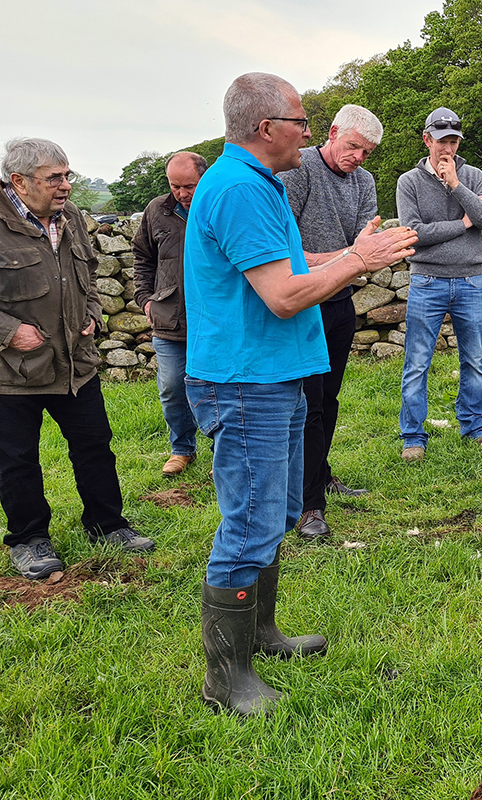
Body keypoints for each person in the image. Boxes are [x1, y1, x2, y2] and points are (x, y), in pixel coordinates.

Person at [185, 73, 416, 716]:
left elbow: (292, 266)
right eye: (302, 121)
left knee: (275, 514)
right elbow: (283, 296)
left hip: (273, 375)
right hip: (245, 381)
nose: (308, 132)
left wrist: (350, 250)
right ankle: (225, 678)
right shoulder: (238, 190)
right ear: (267, 129)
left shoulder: (256, 185)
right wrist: (358, 264)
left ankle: (259, 634)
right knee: (250, 523)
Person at [0, 137, 156, 581]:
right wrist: (9, 332)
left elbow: (84, 278)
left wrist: (90, 314)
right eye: (55, 178)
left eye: (68, 175)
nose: (66, 185)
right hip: (11, 373)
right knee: (17, 460)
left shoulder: (70, 218)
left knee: (94, 447)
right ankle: (29, 540)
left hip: (76, 364)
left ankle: (107, 525)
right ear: (19, 182)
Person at [278, 104, 384, 541]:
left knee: (331, 396)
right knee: (309, 403)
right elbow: (286, 251)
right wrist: (349, 258)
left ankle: (319, 474)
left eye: (367, 151)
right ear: (333, 132)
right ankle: (308, 505)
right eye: (354, 146)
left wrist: (350, 259)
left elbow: (368, 245)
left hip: (339, 301)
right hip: (303, 303)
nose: (358, 157)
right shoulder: (297, 171)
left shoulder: (364, 182)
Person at [394, 107, 482, 462]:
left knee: (474, 358)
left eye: (453, 141)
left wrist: (456, 185)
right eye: (442, 141)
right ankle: (413, 437)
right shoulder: (408, 182)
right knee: (418, 361)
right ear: (427, 140)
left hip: (470, 281)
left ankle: (475, 427)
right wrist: (461, 224)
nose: (448, 149)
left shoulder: (472, 176)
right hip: (427, 281)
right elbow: (414, 234)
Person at [133, 151, 207, 476]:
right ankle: (182, 449)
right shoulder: (156, 211)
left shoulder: (219, 206)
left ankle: (224, 452)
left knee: (215, 390)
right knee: (173, 386)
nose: (182, 193)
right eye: (175, 186)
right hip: (168, 318)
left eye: (188, 185)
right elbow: (142, 257)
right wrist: (145, 298)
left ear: (204, 178)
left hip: (214, 321)